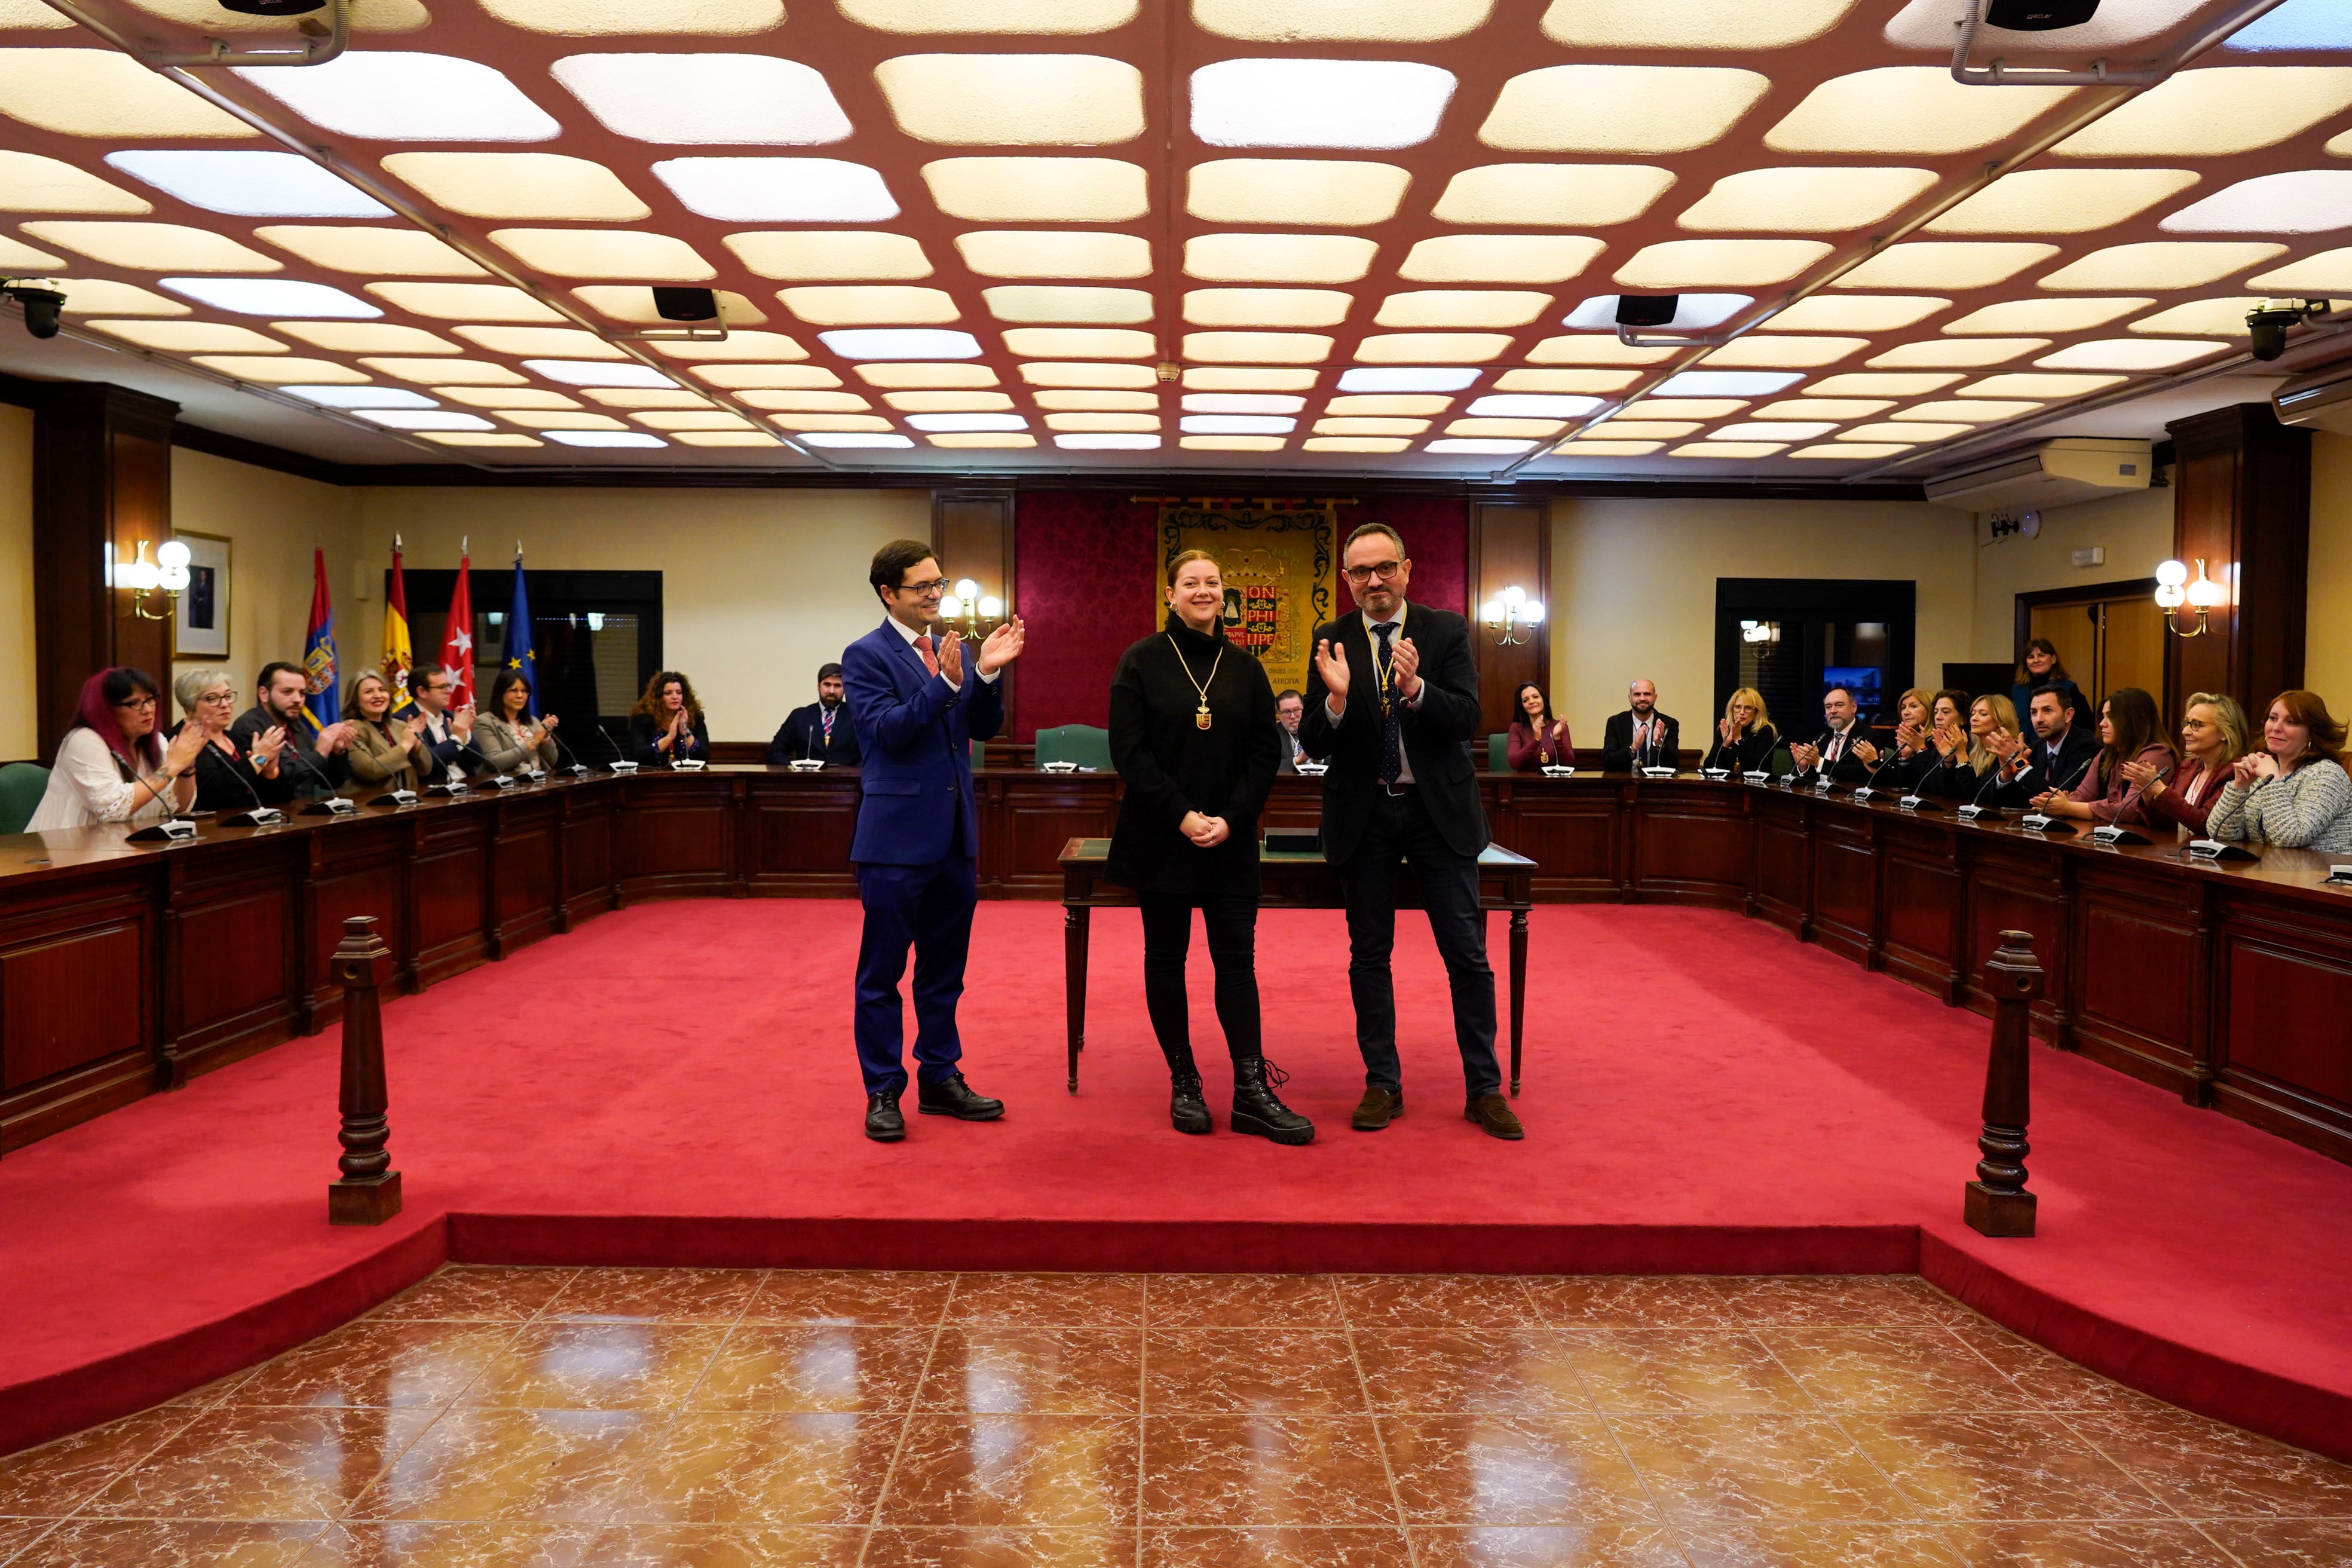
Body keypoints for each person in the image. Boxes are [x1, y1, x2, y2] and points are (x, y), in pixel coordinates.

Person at [1300, 522, 1520, 1141]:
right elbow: (1313, 739)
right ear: (1346, 580)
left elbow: (1469, 718)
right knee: (1369, 953)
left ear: (1407, 568)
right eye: (1361, 572)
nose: (1374, 581)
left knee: (1467, 956)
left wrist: (1417, 688)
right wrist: (1338, 703)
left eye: (1384, 568)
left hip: (1436, 815)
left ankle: (1484, 1089)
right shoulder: (1332, 639)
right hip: (1364, 816)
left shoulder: (1445, 630)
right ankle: (1382, 1083)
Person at [1105, 549, 1301, 1143]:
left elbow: (1267, 754)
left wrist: (1232, 818)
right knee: (1167, 960)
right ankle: (1184, 1078)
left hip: (1231, 841)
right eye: (1190, 582)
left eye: (1212, 582)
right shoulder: (1139, 661)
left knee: (1236, 963)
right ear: (1170, 594)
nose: (1203, 590)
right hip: (1162, 836)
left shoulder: (1246, 667)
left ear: (1225, 594)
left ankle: (1250, 1088)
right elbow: (1129, 753)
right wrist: (1185, 816)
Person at [841, 538, 1027, 1143]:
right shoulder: (864, 655)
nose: (935, 595)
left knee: (944, 971)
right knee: (882, 974)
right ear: (888, 592)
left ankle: (941, 1075)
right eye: (923, 586)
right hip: (894, 841)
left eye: (939, 584)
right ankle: (883, 1089)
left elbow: (983, 727)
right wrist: (947, 686)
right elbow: (887, 733)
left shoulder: (954, 651)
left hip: (953, 839)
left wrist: (987, 674)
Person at [24, 667, 201, 831]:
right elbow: (113, 809)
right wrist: (173, 766)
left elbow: (178, 807)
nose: (148, 710)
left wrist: (186, 767)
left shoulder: (157, 741)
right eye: (134, 703)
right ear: (105, 710)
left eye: (150, 700)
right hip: (65, 851)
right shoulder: (83, 740)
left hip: (126, 846)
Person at [2209, 690, 2352, 853]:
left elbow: (2292, 837)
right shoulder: (2262, 769)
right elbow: (2219, 833)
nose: (2276, 728)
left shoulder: (2327, 774)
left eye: (2290, 722)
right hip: (2267, 873)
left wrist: (2272, 781)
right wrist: (2239, 788)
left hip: (2320, 876)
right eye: (2273, 718)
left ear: (2312, 733)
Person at [2031, 687, 2175, 826]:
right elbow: (2082, 795)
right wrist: (2056, 803)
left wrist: (2069, 808)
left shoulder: (2156, 754)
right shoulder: (2107, 754)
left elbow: (2129, 811)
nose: (2102, 724)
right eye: (2103, 716)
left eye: (2110, 717)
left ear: (2134, 720)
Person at [2125, 692, 2247, 839]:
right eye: (2187, 724)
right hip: (2180, 856)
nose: (2185, 732)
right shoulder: (2189, 767)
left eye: (2197, 725)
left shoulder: (2236, 772)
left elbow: (2205, 825)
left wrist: (2159, 789)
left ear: (2225, 732)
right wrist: (2148, 793)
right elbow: (2164, 823)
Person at [171, 667, 290, 815]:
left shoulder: (237, 738)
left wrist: (270, 772)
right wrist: (260, 758)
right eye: (212, 699)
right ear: (190, 705)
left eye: (228, 696)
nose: (225, 704)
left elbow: (276, 797)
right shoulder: (180, 741)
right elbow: (217, 793)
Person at [232, 660, 356, 801]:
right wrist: (319, 753)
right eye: (287, 692)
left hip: (305, 813)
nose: (298, 700)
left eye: (302, 693)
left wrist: (337, 753)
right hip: (270, 813)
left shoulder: (297, 727)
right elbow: (282, 775)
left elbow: (329, 781)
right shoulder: (249, 727)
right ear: (264, 694)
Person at [2004, 685, 2100, 798]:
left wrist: (2019, 765)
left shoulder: (2086, 745)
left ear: (2068, 715)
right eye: (2034, 712)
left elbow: (2057, 794)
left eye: (2047, 711)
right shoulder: (2037, 747)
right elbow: (2018, 799)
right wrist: (2006, 774)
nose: (2039, 719)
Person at [1940, 694, 2032, 807]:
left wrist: (1961, 755)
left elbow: (1980, 798)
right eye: (1973, 714)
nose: (1974, 718)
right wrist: (1949, 762)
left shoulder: (2013, 750)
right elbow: (1953, 794)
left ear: (2001, 720)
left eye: (1983, 714)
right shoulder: (1975, 751)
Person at [342, 670, 424, 794]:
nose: (378, 695)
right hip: (369, 805)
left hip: (407, 800)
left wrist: (417, 746)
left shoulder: (401, 725)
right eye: (369, 692)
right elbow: (370, 771)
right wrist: (406, 745)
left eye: (382, 690)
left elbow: (426, 769)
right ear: (356, 701)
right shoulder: (350, 729)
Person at [768, 662, 862, 767]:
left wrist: (856, 772)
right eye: (827, 685)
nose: (832, 691)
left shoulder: (857, 716)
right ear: (818, 686)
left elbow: (871, 753)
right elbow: (775, 751)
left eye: (837, 686)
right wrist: (793, 770)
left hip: (847, 780)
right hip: (806, 780)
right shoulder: (799, 716)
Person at [400, 664, 479, 787]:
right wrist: (456, 740)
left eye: (449, 686)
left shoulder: (452, 717)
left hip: (466, 786)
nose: (449, 691)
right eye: (443, 687)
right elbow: (426, 764)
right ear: (422, 692)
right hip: (433, 791)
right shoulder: (405, 720)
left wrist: (465, 734)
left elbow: (477, 760)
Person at [474, 669, 561, 777]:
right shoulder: (484, 722)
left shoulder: (533, 722)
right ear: (500, 693)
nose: (520, 696)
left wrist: (545, 740)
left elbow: (553, 761)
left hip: (540, 782)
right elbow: (495, 763)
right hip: (509, 787)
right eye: (513, 690)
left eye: (524, 691)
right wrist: (534, 741)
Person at [1789, 686, 1872, 783]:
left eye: (1839, 705)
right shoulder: (1822, 737)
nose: (1833, 711)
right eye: (1828, 707)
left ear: (1853, 707)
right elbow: (1812, 780)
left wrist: (1819, 762)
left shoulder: (1868, 736)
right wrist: (1804, 767)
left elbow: (1862, 775)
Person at [1855, 687, 1934, 789]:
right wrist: (1877, 767)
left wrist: (1920, 750)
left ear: (1930, 709)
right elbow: (1901, 782)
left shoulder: (1935, 742)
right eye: (1903, 708)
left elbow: (1930, 785)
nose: (1906, 712)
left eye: (1913, 706)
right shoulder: (1903, 741)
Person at [629, 671, 710, 767]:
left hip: (687, 778)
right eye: (668, 693)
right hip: (652, 778)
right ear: (659, 697)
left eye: (679, 693)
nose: (675, 697)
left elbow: (704, 757)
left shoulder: (695, 717)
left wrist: (686, 732)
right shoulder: (643, 718)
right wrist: (669, 737)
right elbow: (639, 756)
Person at [1600, 680, 1679, 772]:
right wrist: (1633, 748)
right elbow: (1608, 763)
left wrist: (1659, 744)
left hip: (1657, 784)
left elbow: (1673, 765)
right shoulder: (1616, 723)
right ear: (1630, 698)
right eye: (1637, 694)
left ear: (1655, 697)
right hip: (1625, 783)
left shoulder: (1669, 724)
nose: (1642, 699)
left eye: (1647, 694)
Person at [2011, 638, 2086, 728]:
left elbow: (2085, 724)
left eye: (2041, 655)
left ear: (2053, 659)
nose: (2036, 660)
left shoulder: (2068, 688)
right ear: (2026, 663)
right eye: (2031, 657)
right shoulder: (2018, 689)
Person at [1701, 687, 1777, 773]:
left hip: (1756, 785)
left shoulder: (1765, 731)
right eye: (1738, 707)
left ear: (1757, 711)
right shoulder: (1726, 729)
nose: (1742, 712)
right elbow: (1708, 767)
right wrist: (1725, 745)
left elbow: (1757, 768)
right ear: (1732, 709)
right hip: (1727, 784)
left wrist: (1738, 740)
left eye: (1748, 708)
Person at [1506, 682, 1574, 770]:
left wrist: (1557, 738)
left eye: (1535, 697)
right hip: (1526, 782)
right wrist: (1536, 740)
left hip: (1555, 782)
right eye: (1525, 700)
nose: (1531, 702)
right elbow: (1514, 763)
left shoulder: (1559, 726)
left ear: (1543, 700)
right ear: (1522, 706)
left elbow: (1569, 764)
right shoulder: (1516, 728)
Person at [1273, 688, 1308, 773]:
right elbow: (1267, 767)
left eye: (1297, 710)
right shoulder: (1272, 735)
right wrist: (1297, 760)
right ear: (1279, 714)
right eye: (1286, 712)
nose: (1293, 716)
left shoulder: (1318, 731)